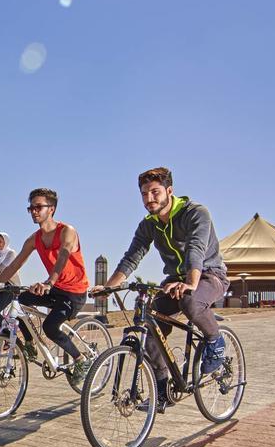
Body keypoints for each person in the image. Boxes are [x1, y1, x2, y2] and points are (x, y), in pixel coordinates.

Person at [91, 167, 229, 413]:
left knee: (190, 302)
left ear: (169, 191)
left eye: (155, 192)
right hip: (174, 280)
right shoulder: (148, 225)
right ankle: (162, 389)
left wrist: (191, 283)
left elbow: (196, 249)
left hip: (209, 275)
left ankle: (215, 341)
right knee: (149, 326)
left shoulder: (196, 213)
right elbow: (131, 258)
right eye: (144, 194)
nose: (149, 199)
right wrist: (108, 288)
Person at [0, 188, 91, 380]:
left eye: (38, 207)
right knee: (18, 301)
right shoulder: (34, 239)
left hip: (74, 292)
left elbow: (63, 255)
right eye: (30, 208)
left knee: (50, 327)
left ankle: (80, 358)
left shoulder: (67, 231)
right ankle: (30, 342)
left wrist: (49, 281)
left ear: (52, 209)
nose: (34, 211)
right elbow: (14, 265)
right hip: (55, 289)